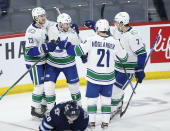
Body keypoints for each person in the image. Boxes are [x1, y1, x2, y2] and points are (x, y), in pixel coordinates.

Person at [57, 19, 128, 129]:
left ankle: (92, 123)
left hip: (94, 78)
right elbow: (124, 58)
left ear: (97, 29)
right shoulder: (115, 42)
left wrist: (67, 45)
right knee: (106, 102)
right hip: (108, 78)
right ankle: (105, 124)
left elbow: (75, 51)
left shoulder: (91, 40)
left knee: (92, 102)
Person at [84, 12, 147, 119]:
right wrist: (94, 25)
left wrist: (140, 69)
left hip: (128, 70)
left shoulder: (133, 36)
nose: (114, 23)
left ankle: (114, 108)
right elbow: (105, 31)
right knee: (114, 89)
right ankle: (118, 104)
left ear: (123, 23)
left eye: (116, 22)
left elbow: (142, 53)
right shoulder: (117, 30)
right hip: (116, 67)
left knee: (115, 90)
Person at [43, 13, 82, 113]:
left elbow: (79, 48)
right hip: (52, 63)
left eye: (68, 24)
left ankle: (79, 107)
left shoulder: (72, 33)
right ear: (59, 23)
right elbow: (44, 23)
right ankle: (50, 110)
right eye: (65, 24)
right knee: (48, 86)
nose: (67, 26)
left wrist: (77, 34)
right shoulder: (51, 28)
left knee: (74, 87)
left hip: (69, 64)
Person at [25, 7, 57, 119]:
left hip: (43, 60)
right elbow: (30, 52)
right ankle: (35, 108)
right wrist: (44, 48)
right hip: (34, 62)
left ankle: (43, 105)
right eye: (40, 16)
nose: (43, 18)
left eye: (44, 15)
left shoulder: (44, 24)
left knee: (45, 84)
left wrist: (64, 24)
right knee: (39, 86)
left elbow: (54, 24)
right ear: (35, 18)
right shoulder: (31, 32)